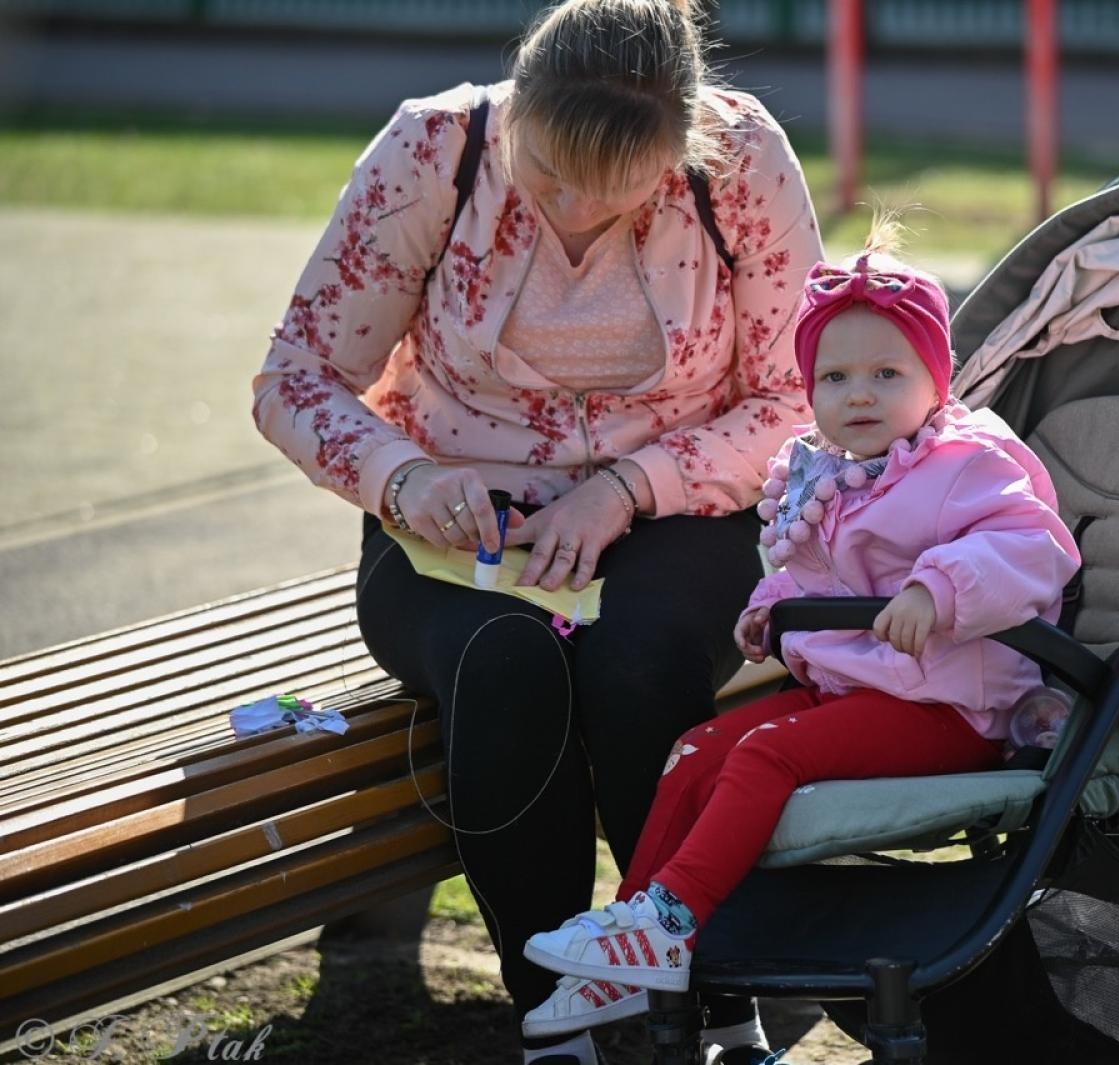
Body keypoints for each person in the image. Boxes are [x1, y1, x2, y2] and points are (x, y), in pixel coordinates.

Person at [249, 1, 823, 1060]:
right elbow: (297, 378)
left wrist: (628, 488)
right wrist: (406, 477)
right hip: (449, 521)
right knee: (507, 664)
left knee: (640, 659)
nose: (575, 210)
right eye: (549, 173)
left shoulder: (740, 158)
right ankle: (555, 1013)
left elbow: (799, 398)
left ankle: (706, 987)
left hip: (677, 508)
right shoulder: (434, 149)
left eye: (617, 188)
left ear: (680, 146)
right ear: (519, 107)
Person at [519, 230, 1082, 1037]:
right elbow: (816, 572)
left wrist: (938, 587)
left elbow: (1031, 547)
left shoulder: (968, 463)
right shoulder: (826, 470)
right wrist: (772, 605)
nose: (860, 395)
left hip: (950, 706)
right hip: (858, 690)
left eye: (887, 374)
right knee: (695, 749)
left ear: (937, 380)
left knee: (765, 754)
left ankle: (673, 917)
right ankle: (634, 944)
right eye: (836, 377)